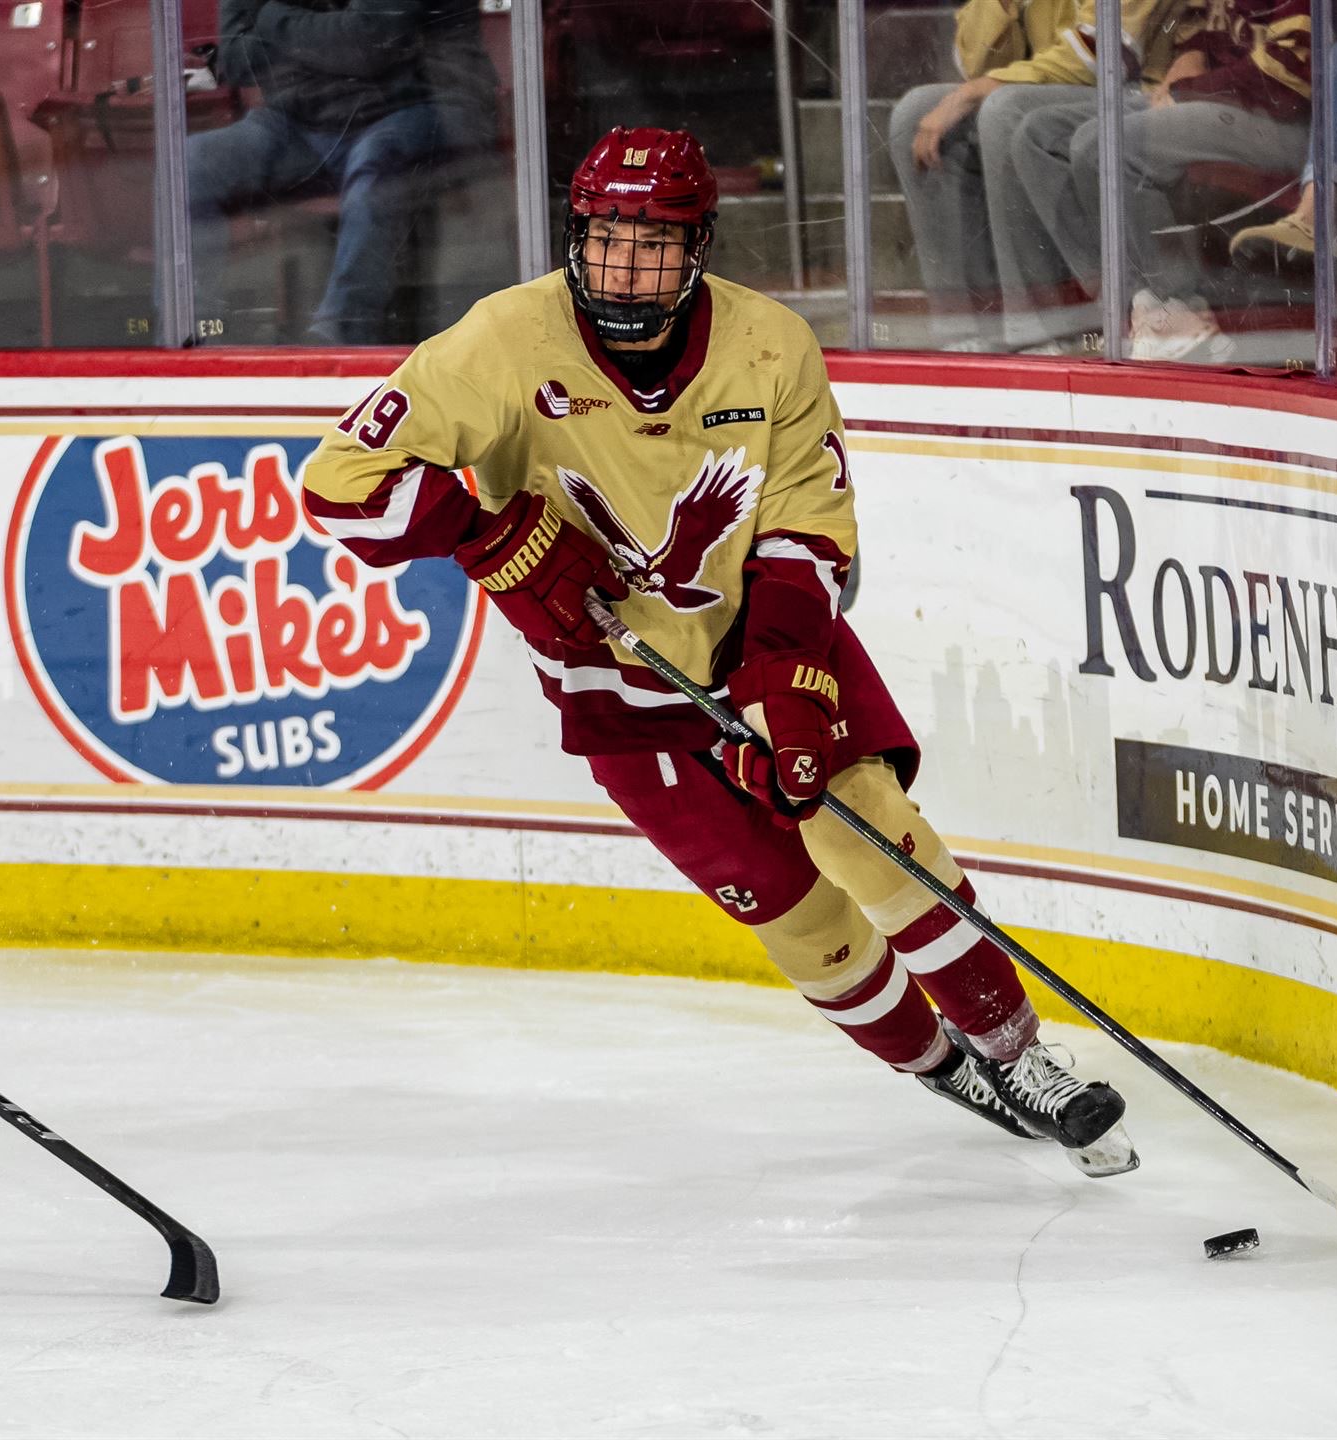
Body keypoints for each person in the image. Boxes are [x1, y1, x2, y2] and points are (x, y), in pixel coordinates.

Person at [300, 127, 1135, 1173]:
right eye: (607, 240)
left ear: (699, 246)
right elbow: (340, 483)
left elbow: (808, 530)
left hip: (764, 642)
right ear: (576, 236)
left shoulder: (772, 344)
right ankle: (938, 1065)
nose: (627, 268)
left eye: (654, 246)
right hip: (615, 686)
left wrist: (784, 680)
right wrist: (483, 529)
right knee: (792, 912)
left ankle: (1020, 1052)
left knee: (867, 832)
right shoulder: (500, 344)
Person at [1012, 0, 1313, 361]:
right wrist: (1193, 54)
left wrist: (1195, 87)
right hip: (1218, 97)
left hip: (1281, 120)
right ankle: (1136, 305)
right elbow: (1207, 28)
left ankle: (1180, 309)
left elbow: (1289, 74)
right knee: (1040, 135)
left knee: (1104, 144)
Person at [188, 0, 499, 344]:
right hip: (300, 119)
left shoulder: (274, 11)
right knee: (195, 160)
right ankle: (194, 330)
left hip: (412, 107)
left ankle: (341, 333)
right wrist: (324, 45)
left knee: (376, 157)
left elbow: (365, 44)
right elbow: (235, 60)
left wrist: (272, 16)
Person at [888, 0, 1187, 353]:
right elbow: (971, 62)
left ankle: (1040, 333)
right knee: (915, 113)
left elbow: (1104, 52)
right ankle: (967, 333)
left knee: (1004, 108)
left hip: (1143, 93)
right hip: (1049, 87)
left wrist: (974, 92)